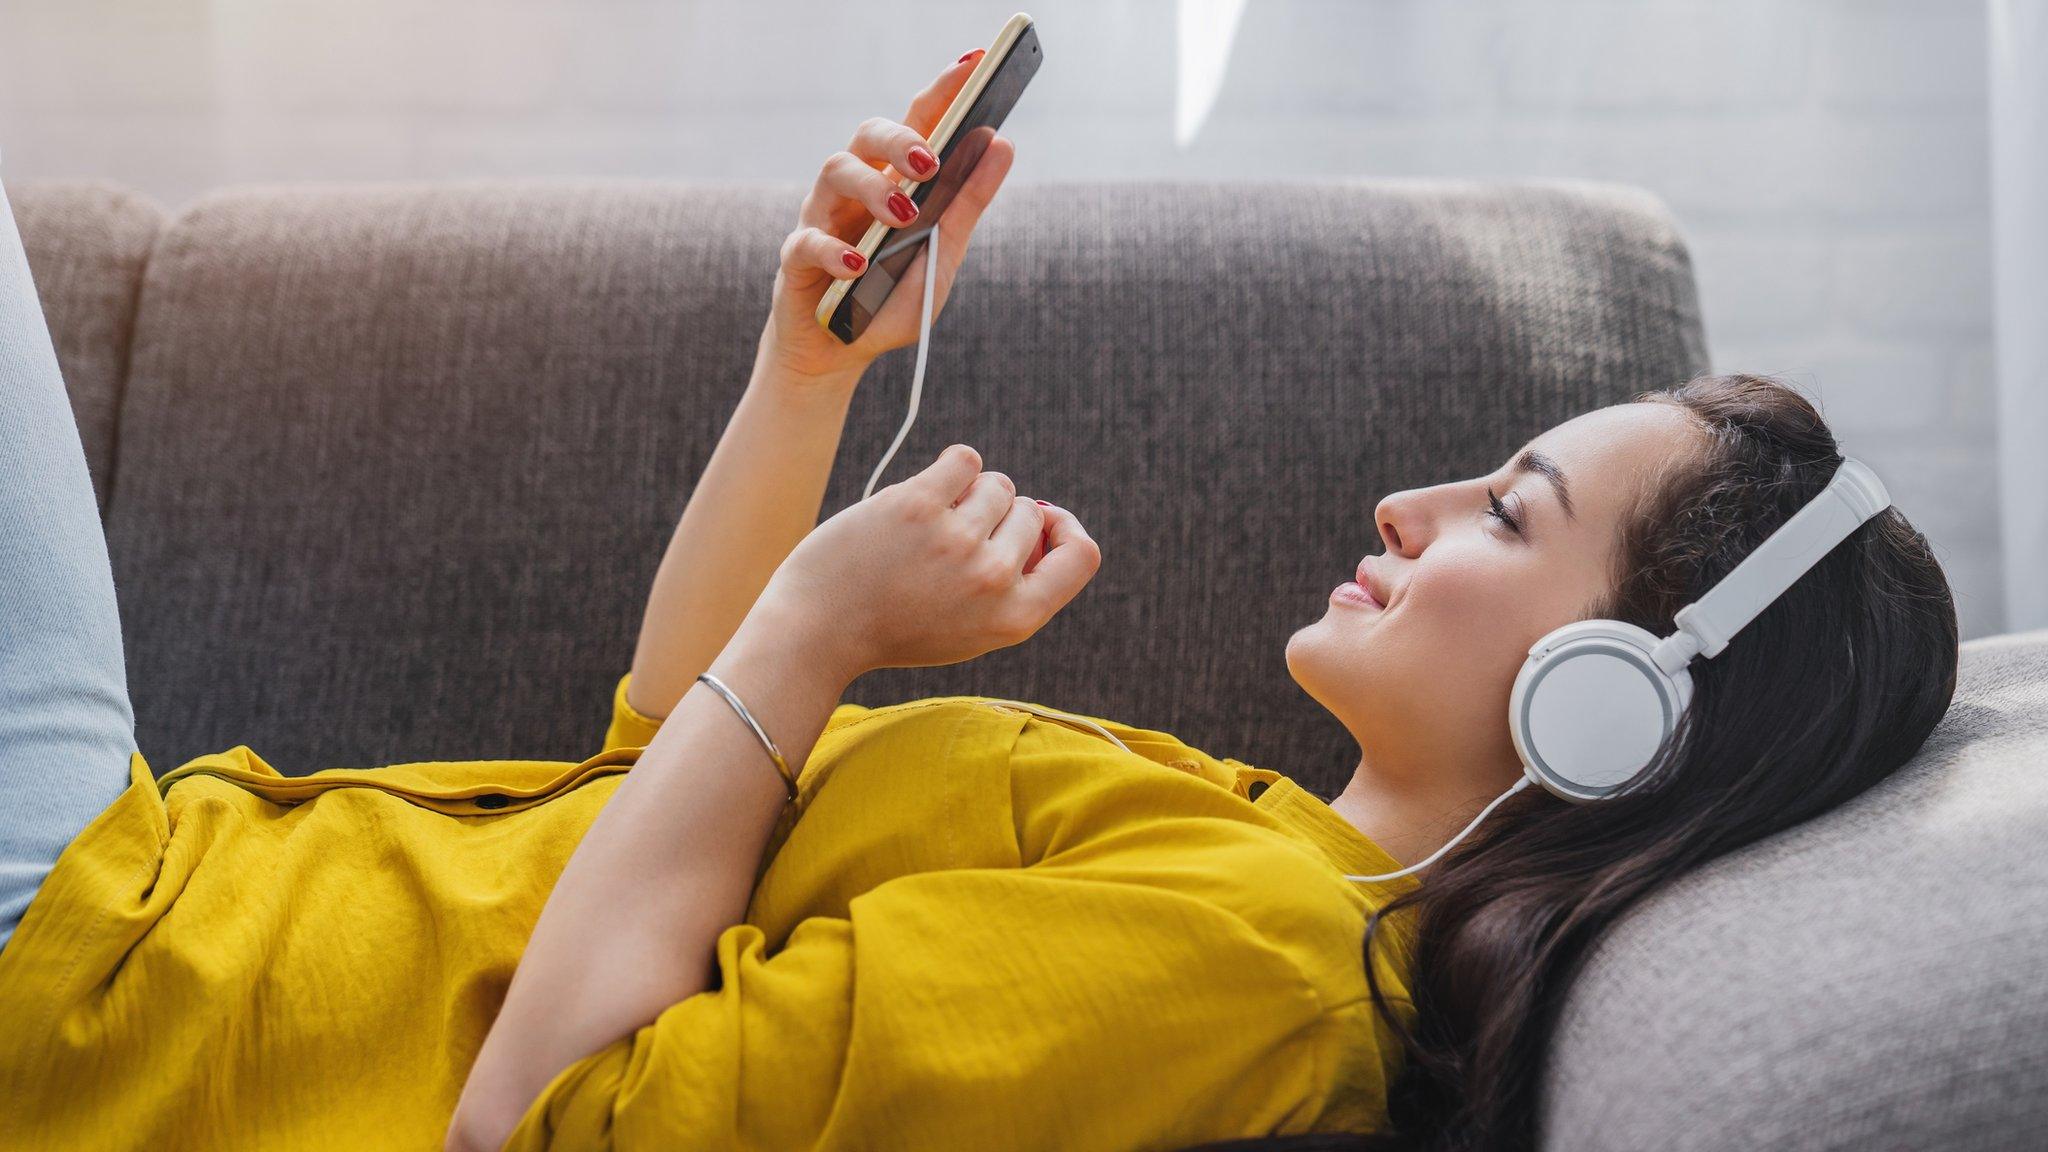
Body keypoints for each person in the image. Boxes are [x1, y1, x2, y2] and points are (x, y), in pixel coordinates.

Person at [0, 54, 1957, 1152]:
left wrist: (819, 636)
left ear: (1600, 711)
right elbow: (670, 773)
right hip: (137, 891)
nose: (1410, 500)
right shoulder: (1237, 844)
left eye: (1506, 515)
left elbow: (554, 1112)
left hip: (101, 1009)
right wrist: (813, 376)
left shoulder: (1253, 966)